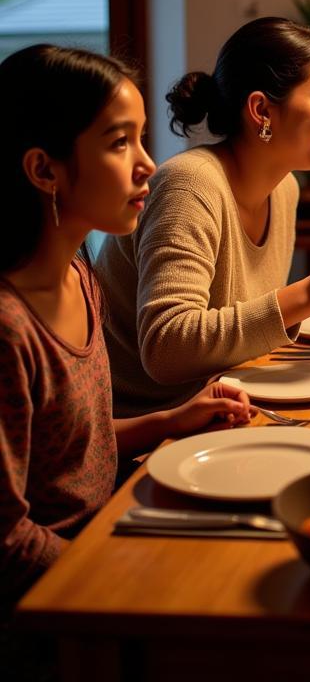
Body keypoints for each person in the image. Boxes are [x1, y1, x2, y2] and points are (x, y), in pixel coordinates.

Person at [0, 45, 255, 609]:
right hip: (57, 603)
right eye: (119, 142)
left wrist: (170, 420)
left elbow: (67, 456)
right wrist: (125, 569)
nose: (147, 164)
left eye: (142, 137)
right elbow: (7, 544)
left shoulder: (78, 274)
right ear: (44, 168)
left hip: (110, 524)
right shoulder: (9, 329)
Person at [96, 17, 310, 416]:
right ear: (262, 109)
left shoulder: (285, 189)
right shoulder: (189, 184)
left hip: (226, 404)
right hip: (148, 426)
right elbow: (166, 349)